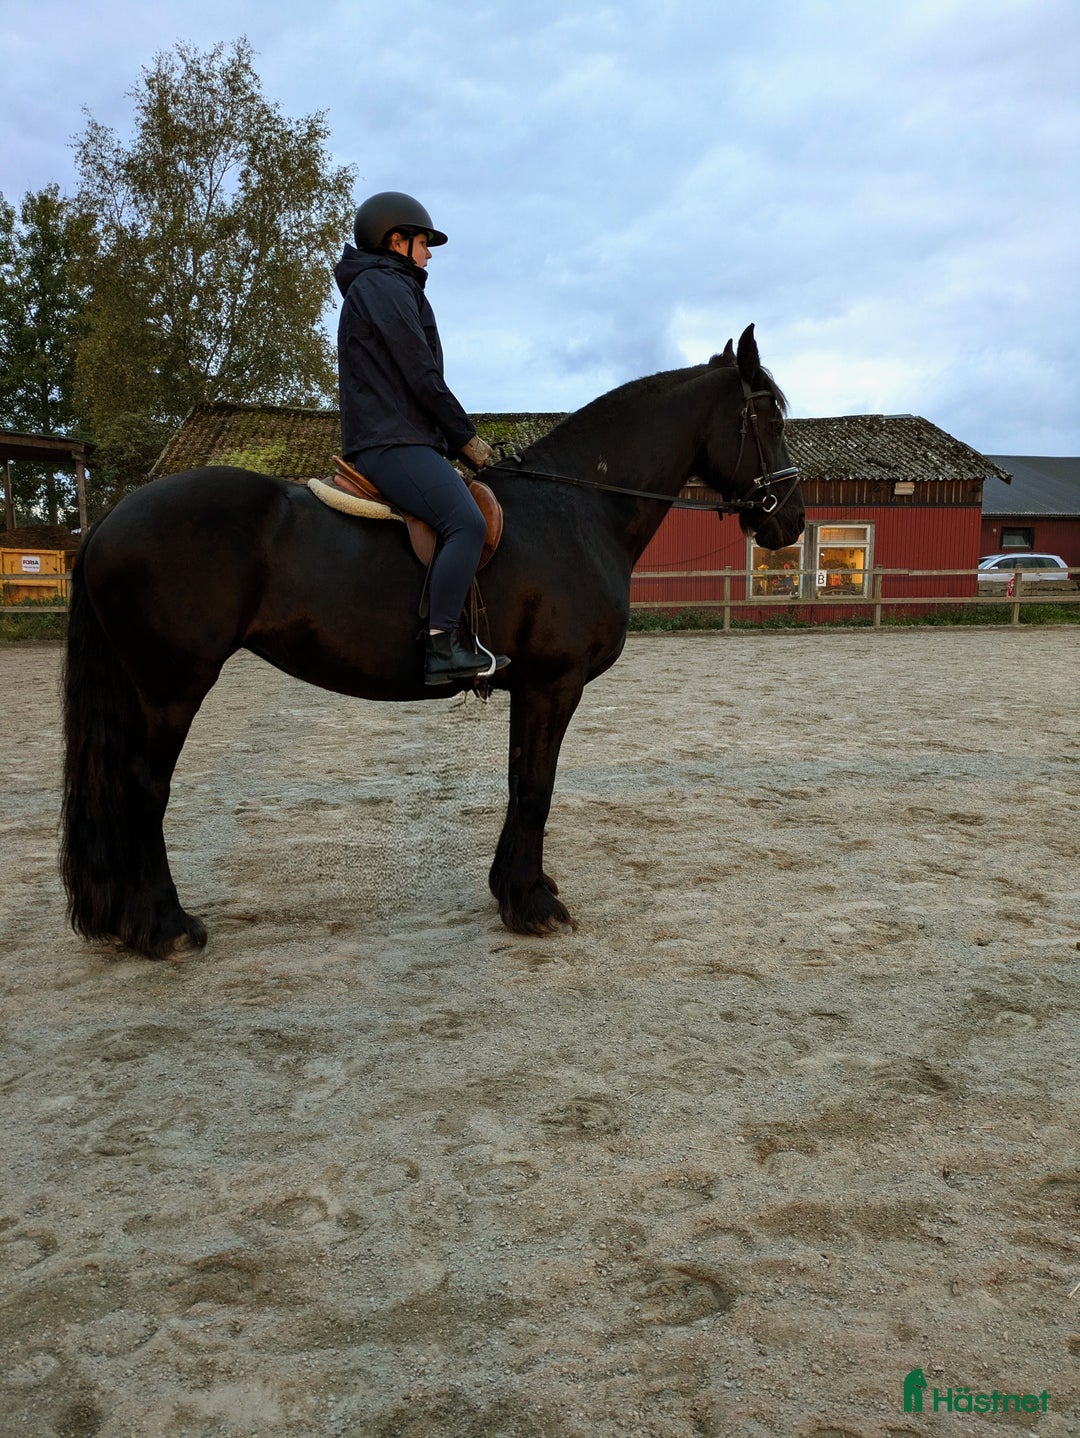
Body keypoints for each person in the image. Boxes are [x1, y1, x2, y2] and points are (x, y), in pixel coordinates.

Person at [335, 191, 509, 686]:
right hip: (391, 443)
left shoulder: (385, 286)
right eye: (423, 242)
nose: (429, 253)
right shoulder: (383, 285)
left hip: (399, 437)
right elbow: (422, 374)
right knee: (467, 524)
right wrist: (466, 440)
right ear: (397, 240)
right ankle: (441, 646)